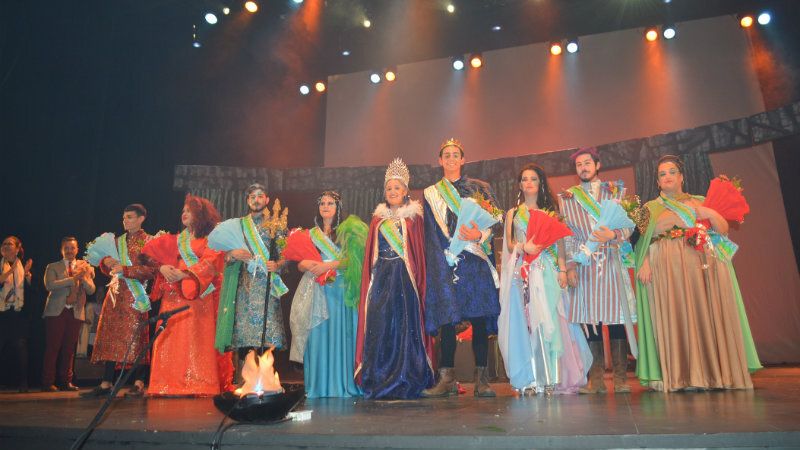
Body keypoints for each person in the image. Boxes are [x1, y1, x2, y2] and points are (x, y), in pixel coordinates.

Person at [634, 155, 761, 392]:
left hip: (702, 268)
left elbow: (722, 230)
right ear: (658, 182)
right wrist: (646, 263)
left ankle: (713, 373)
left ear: (681, 177)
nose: (668, 176)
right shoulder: (648, 209)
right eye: (662, 174)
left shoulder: (702, 200)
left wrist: (709, 213)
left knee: (705, 314)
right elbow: (645, 241)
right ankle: (681, 375)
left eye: (672, 172)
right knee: (677, 316)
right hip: (668, 272)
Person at [498, 164, 592, 394]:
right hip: (523, 272)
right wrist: (523, 246)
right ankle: (530, 377)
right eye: (525, 179)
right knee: (526, 323)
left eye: (534, 179)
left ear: (540, 183)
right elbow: (510, 244)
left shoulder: (551, 211)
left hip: (547, 270)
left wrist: (562, 269)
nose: (529, 183)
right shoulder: (513, 213)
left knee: (551, 321)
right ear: (519, 184)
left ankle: (552, 375)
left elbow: (559, 242)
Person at [422, 138, 500, 398]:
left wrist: (479, 233)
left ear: (463, 159)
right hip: (447, 260)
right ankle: (446, 379)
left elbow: (495, 221)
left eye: (456, 154)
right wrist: (438, 260)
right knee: (447, 320)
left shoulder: (480, 188)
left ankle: (482, 379)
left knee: (478, 318)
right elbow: (430, 231)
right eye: (447, 155)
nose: (452, 158)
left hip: (475, 259)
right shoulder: (431, 193)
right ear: (440, 160)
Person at [558, 147, 636, 394]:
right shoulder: (568, 198)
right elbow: (568, 236)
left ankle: (622, 378)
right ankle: (597, 380)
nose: (583, 167)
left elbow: (629, 225)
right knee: (590, 322)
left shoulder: (615, 191)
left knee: (615, 320)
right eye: (579, 164)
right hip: (585, 264)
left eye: (587, 162)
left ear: (597, 165)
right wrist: (570, 265)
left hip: (611, 259)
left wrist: (615, 234)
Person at [355, 158, 435, 399]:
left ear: (405, 191)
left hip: (405, 279)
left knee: (405, 327)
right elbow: (372, 254)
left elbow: (419, 253)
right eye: (389, 188)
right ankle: (380, 376)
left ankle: (407, 374)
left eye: (397, 188)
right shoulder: (377, 220)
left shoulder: (413, 219)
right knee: (380, 327)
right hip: (381, 279)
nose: (392, 192)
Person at [140, 195, 229, 396]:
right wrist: (162, 267)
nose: (184, 214)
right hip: (172, 295)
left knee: (196, 339)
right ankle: (166, 383)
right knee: (170, 336)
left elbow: (210, 262)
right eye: (183, 211)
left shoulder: (210, 239)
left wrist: (186, 273)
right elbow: (153, 259)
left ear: (200, 214)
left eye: (188, 210)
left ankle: (198, 383)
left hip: (197, 294)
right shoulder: (175, 239)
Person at [291, 191, 363, 398]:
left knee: (341, 335)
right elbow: (301, 263)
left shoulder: (348, 231)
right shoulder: (311, 234)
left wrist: (327, 265)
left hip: (339, 291)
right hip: (317, 290)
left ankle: (342, 384)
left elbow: (354, 261)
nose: (325, 206)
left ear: (338, 207)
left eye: (330, 203)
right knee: (317, 336)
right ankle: (318, 386)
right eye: (322, 203)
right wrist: (304, 265)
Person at [81, 204, 156, 398]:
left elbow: (152, 271)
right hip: (115, 294)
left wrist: (127, 270)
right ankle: (106, 382)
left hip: (135, 296)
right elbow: (108, 268)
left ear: (141, 219)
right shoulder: (117, 241)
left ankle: (139, 383)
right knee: (110, 336)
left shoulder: (148, 242)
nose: (125, 221)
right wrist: (104, 263)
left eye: (130, 217)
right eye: (124, 217)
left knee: (136, 338)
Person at [214, 183, 289, 361]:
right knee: (243, 334)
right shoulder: (238, 226)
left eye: (260, 196)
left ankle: (266, 382)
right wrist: (232, 254)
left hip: (267, 286)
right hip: (243, 287)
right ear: (247, 200)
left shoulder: (276, 224)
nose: (256, 200)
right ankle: (245, 381)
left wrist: (278, 265)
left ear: (267, 199)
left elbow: (287, 254)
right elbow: (224, 256)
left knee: (267, 334)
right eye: (252, 196)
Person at [42, 237, 96, 392]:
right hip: (56, 311)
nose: (69, 251)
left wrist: (83, 278)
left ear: (77, 249)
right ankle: (47, 382)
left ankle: (66, 381)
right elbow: (50, 285)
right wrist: (72, 279)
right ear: (61, 250)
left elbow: (91, 290)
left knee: (69, 348)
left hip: (76, 310)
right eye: (66, 248)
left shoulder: (84, 267)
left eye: (72, 248)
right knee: (53, 347)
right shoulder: (52, 266)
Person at [0, 236, 33, 392]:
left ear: (18, 248)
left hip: (18, 313)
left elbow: (32, 291)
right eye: (4, 244)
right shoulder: (1, 265)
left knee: (21, 346)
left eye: (10, 244)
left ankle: (23, 382)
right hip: (2, 312)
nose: (6, 246)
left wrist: (27, 277)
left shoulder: (22, 266)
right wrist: (10, 271)